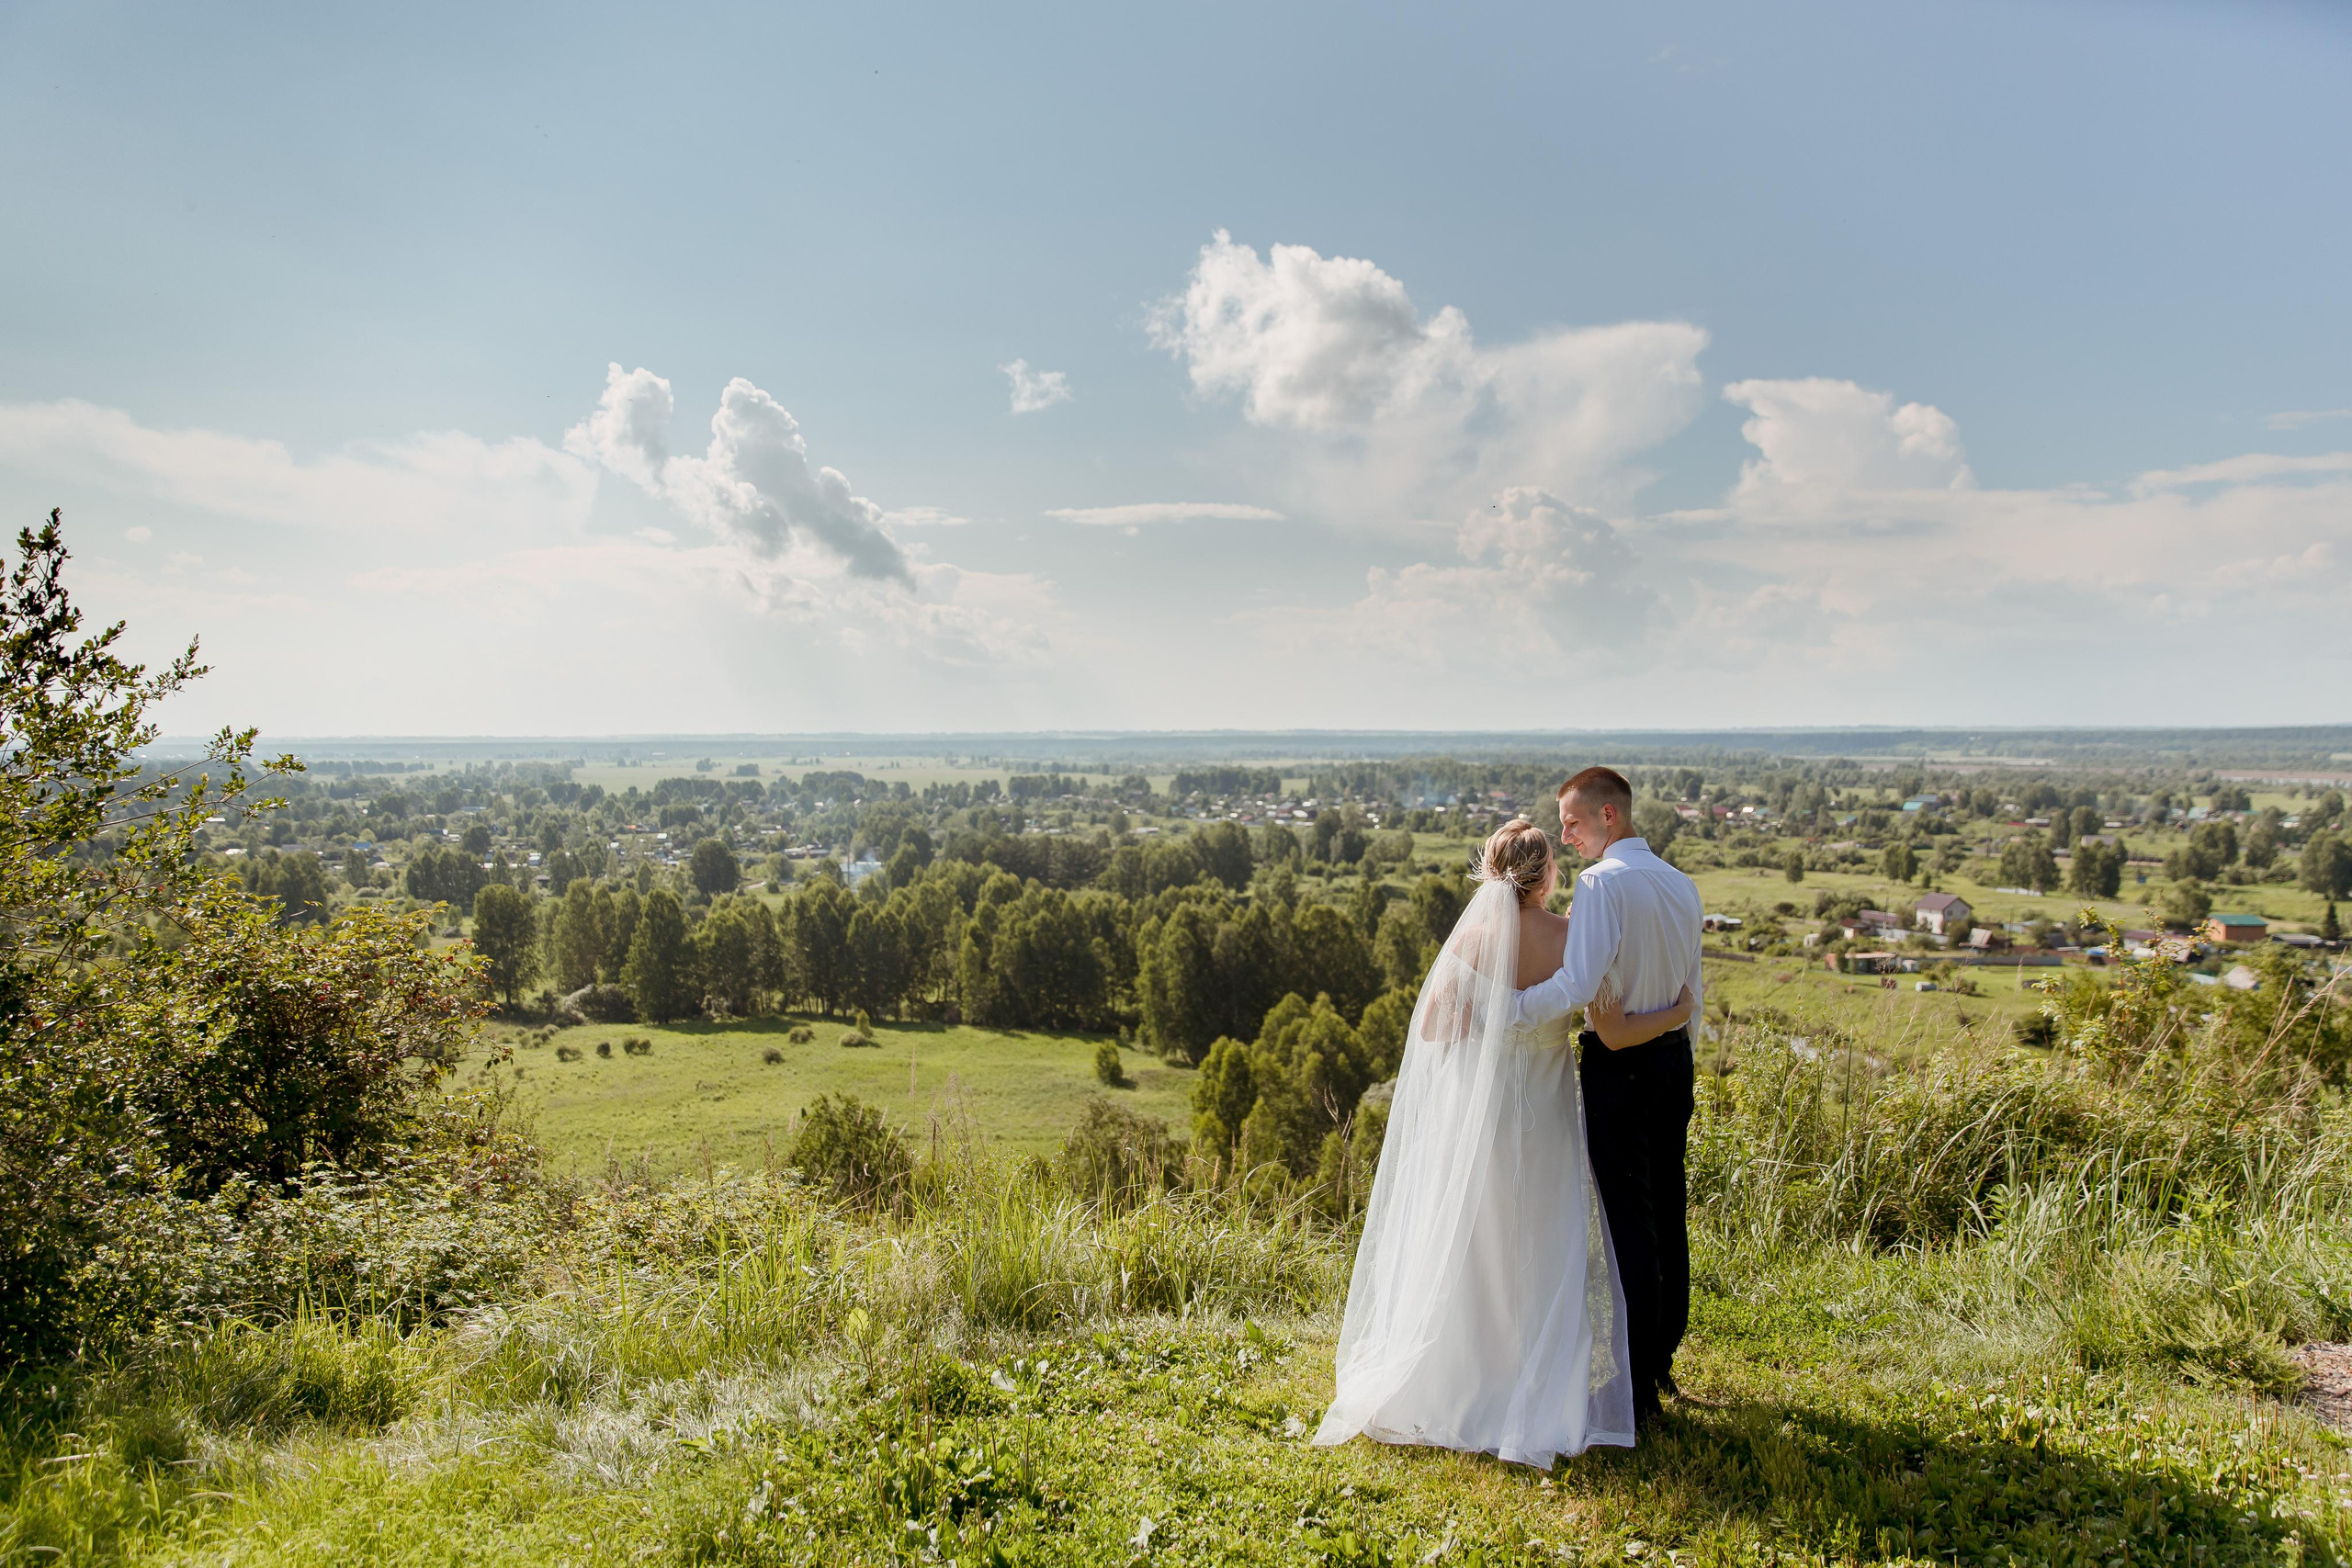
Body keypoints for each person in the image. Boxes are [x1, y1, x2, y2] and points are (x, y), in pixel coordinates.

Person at [1315, 818, 1693, 1468]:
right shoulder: (1573, 938)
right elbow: (1609, 1025)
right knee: (1543, 1233)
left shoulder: (1470, 941)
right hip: (1545, 1109)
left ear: (1493, 871)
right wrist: (1677, 1013)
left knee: (1476, 1234)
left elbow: (1433, 1028)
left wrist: (1486, 1017)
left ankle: (1465, 1373)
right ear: (1547, 874)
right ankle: (1538, 1377)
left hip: (1480, 1111)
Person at [1512, 766, 1704, 1430]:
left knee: (1629, 1222)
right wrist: (1679, 1047)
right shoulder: (1681, 883)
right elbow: (1692, 988)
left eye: (1572, 822)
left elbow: (1577, 983)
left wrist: (1507, 1010)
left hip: (1620, 1068)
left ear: (1608, 816)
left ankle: (1636, 1385)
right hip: (1673, 1060)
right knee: (1667, 1207)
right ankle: (1661, 1358)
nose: (1565, 836)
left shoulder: (1599, 884)